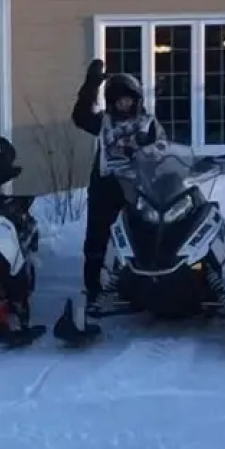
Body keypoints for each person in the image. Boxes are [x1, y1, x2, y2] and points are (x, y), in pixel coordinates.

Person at [71, 60, 161, 298]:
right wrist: (91, 85)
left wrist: (150, 153)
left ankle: (145, 280)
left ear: (137, 99)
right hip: (106, 184)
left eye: (128, 98)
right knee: (98, 237)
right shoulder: (103, 121)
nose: (124, 103)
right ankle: (93, 287)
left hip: (139, 187)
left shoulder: (148, 123)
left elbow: (164, 152)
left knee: (143, 233)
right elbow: (80, 116)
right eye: (118, 98)